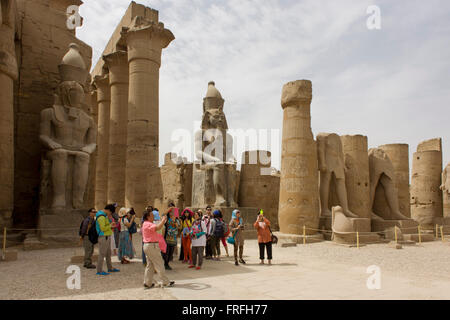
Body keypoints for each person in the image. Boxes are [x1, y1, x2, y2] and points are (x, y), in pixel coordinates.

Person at [142, 210, 175, 289]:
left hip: (148, 246)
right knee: (159, 263)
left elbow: (157, 225)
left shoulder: (146, 224)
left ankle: (147, 283)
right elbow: (158, 227)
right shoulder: (148, 224)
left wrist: (163, 220)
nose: (153, 216)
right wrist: (163, 220)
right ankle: (165, 282)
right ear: (148, 217)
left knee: (150, 265)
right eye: (151, 215)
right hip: (151, 246)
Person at [96, 204, 120, 275]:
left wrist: (110, 222)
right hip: (103, 236)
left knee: (108, 253)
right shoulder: (101, 217)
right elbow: (102, 228)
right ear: (108, 210)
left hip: (107, 235)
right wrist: (110, 225)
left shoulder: (105, 216)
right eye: (111, 212)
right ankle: (99, 270)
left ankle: (110, 267)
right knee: (102, 254)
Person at [163, 205, 181, 270]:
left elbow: (179, 227)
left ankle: (167, 263)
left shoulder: (177, 220)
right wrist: (170, 208)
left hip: (174, 238)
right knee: (166, 252)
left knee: (171, 252)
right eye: (170, 212)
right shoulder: (167, 219)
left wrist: (177, 225)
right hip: (167, 238)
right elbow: (163, 214)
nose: (171, 213)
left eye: (173, 212)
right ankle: (165, 264)